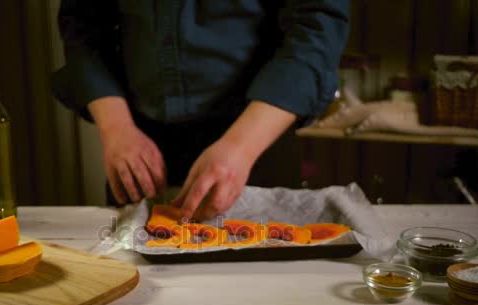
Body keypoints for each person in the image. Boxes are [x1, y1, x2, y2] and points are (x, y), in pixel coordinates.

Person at [52, 0, 349, 220]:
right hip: (140, 146)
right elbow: (82, 26)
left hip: (256, 141)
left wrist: (240, 147)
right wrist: (115, 127)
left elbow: (316, 30)